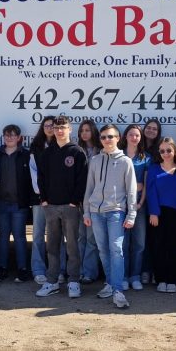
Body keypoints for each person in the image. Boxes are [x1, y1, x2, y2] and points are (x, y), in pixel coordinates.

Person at [83, 123, 137, 309]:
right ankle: (110, 282)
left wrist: (131, 215)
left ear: (118, 138)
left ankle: (118, 290)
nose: (107, 140)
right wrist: (87, 211)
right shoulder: (95, 161)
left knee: (117, 249)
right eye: (104, 137)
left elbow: (131, 191)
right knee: (103, 250)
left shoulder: (125, 162)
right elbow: (89, 188)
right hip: (96, 213)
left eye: (111, 137)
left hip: (116, 212)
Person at [35, 115, 88, 297]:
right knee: (52, 246)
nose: (59, 130)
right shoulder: (47, 153)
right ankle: (52, 281)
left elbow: (83, 180)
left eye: (63, 127)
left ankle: (73, 281)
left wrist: (75, 201)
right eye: (56, 128)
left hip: (70, 208)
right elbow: (41, 178)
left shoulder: (77, 152)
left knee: (72, 246)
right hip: (50, 207)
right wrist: (44, 199)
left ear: (70, 129)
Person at [0, 124, 34, 282]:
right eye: (6, 135)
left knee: (20, 237)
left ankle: (22, 269)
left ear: (19, 137)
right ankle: (2, 268)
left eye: (12, 135)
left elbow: (32, 180)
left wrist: (29, 200)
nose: (9, 137)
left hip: (19, 204)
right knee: (2, 237)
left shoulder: (26, 155)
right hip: (2, 203)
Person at [146, 137, 176, 293]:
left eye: (169, 150)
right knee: (159, 246)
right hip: (158, 214)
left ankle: (173, 279)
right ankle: (161, 278)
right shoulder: (154, 168)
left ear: (174, 151)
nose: (166, 153)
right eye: (162, 151)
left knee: (175, 246)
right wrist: (154, 213)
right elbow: (151, 192)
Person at [119, 124, 150, 290]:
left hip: (139, 205)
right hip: (120, 205)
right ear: (125, 137)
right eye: (131, 134)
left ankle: (135, 276)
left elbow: (145, 185)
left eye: (137, 135)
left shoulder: (146, 158)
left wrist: (139, 203)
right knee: (123, 244)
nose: (134, 138)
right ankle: (123, 276)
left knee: (139, 243)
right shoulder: (118, 155)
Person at [29, 115, 59, 285]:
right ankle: (39, 270)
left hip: (58, 199)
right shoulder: (36, 147)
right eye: (46, 125)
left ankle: (59, 270)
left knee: (57, 235)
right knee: (38, 234)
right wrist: (42, 195)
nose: (50, 128)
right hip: (40, 198)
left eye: (53, 125)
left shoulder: (62, 146)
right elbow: (34, 173)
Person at [76, 119, 102, 284]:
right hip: (79, 199)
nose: (84, 133)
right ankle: (79, 270)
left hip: (95, 199)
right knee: (80, 237)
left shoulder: (101, 151)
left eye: (87, 130)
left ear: (93, 131)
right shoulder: (76, 150)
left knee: (92, 238)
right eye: (82, 130)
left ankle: (89, 273)